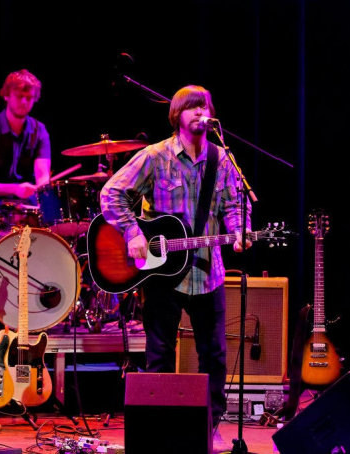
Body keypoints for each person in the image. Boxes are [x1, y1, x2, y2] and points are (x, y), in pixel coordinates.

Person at [99, 85, 252, 451]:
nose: (201, 112)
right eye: (193, 107)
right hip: (163, 273)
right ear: (177, 116)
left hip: (208, 271)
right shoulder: (155, 157)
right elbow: (111, 193)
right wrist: (133, 231)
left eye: (205, 106)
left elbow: (234, 206)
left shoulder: (221, 159)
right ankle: (158, 430)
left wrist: (238, 231)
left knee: (213, 355)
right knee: (160, 354)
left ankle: (210, 428)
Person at [0, 69, 51, 228]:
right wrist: (13, 188)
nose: (25, 102)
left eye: (29, 98)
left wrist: (41, 186)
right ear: (6, 96)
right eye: (20, 96)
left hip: (24, 199)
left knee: (45, 225)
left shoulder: (40, 131)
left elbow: (43, 177)